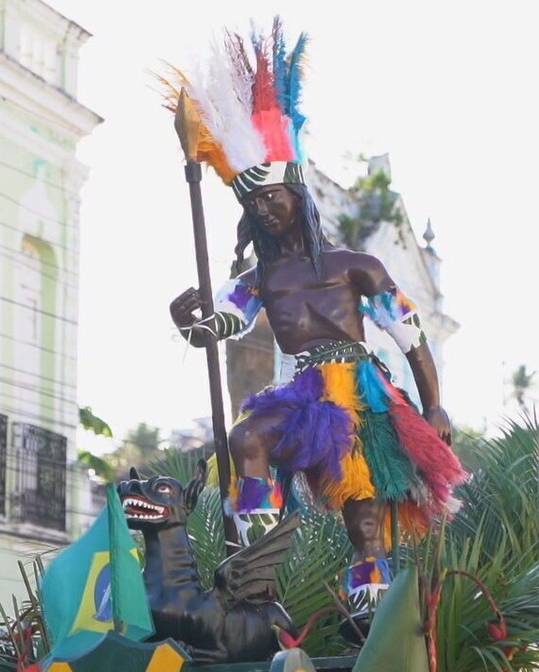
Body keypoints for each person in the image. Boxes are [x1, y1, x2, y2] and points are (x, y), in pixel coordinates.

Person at [162, 19, 466, 634]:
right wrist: (185, 318)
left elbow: (412, 335)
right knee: (246, 443)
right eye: (253, 204)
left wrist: (433, 406)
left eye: (271, 198)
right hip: (300, 392)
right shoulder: (257, 281)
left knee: (364, 518)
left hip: (360, 391)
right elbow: (217, 329)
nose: (263, 210)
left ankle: (370, 616)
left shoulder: (359, 267)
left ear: (298, 196)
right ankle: (258, 568)